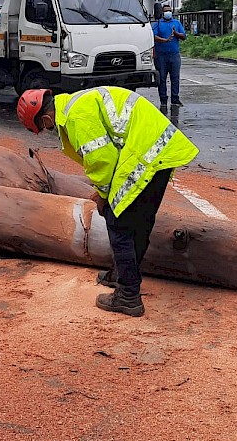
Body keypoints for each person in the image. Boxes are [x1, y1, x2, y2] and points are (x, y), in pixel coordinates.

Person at [16, 86, 199, 317]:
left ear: (45, 117)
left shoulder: (75, 116)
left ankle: (128, 296)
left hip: (144, 153)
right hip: (157, 151)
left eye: (43, 128)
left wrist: (103, 196)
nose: (47, 131)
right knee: (138, 222)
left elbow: (102, 159)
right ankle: (122, 275)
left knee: (118, 221)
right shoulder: (75, 104)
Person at [152, 4, 187, 108]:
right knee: (162, 78)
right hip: (161, 55)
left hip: (174, 55)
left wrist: (176, 33)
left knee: (175, 78)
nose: (168, 12)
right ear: (162, 13)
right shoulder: (158, 24)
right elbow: (153, 36)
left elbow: (184, 36)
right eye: (166, 11)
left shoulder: (176, 23)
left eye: (169, 11)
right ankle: (163, 100)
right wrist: (164, 40)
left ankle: (175, 99)